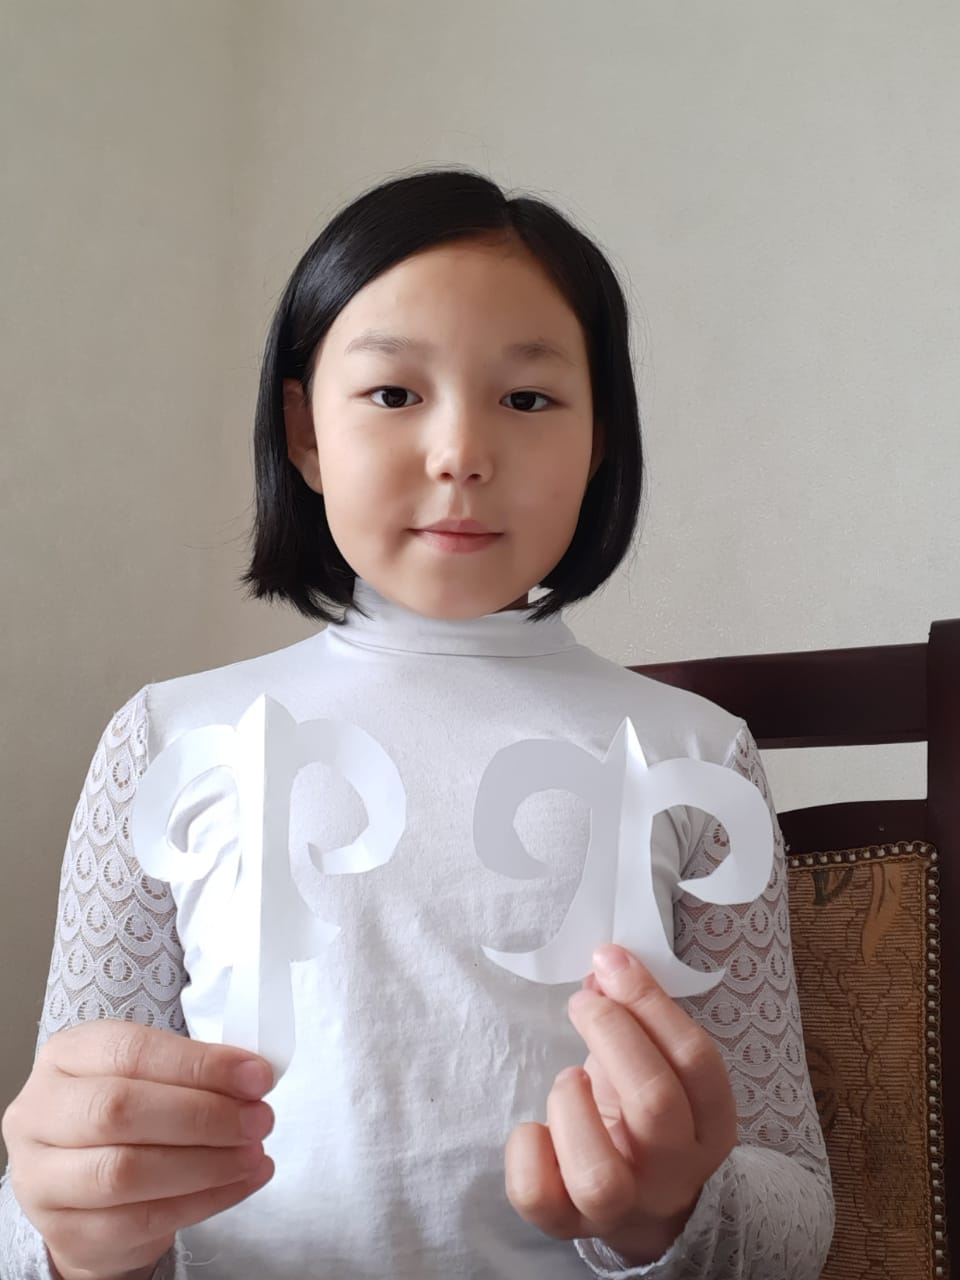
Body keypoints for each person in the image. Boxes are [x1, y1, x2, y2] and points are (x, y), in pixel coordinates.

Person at [0, 167, 834, 1279]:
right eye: (394, 393)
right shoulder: (164, 740)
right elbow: (43, 1191)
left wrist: (670, 1215)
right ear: (303, 430)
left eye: (527, 400)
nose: (460, 454)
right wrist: (72, 1241)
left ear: (601, 438)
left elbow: (796, 1198)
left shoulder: (700, 755)